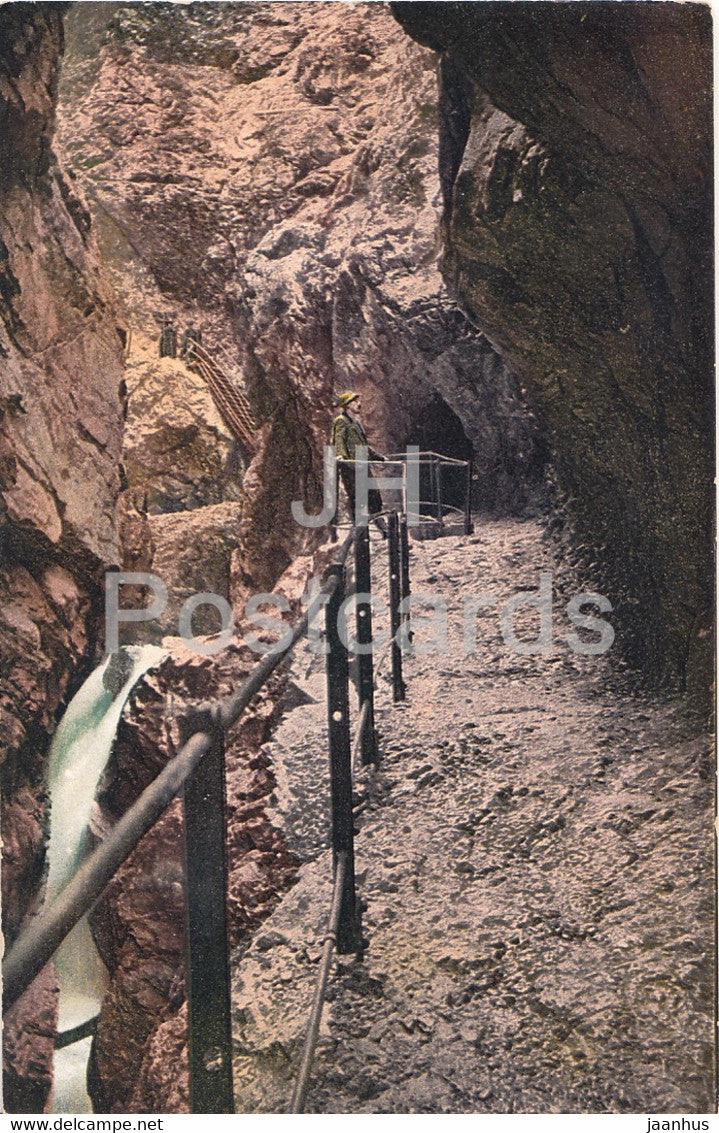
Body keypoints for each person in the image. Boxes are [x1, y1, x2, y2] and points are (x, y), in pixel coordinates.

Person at [330, 391, 387, 533]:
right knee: (357, 499)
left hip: (363, 466)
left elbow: (363, 445)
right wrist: (341, 457)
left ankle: (384, 530)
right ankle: (360, 534)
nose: (358, 404)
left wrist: (379, 457)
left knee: (374, 497)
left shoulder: (357, 423)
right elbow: (338, 440)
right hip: (351, 468)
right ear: (347, 405)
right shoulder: (341, 421)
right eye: (354, 402)